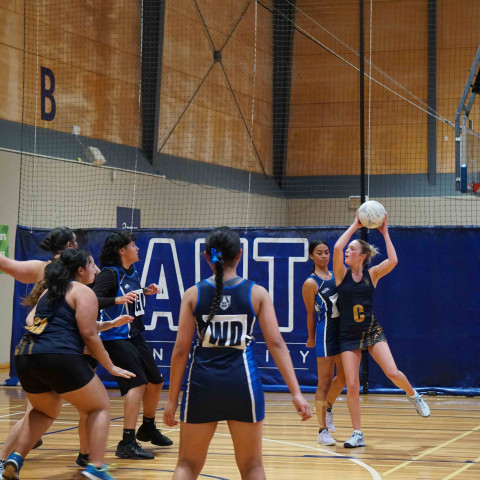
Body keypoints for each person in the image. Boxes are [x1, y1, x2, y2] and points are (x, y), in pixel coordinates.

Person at [164, 226, 311, 480]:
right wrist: (296, 393)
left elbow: (180, 351)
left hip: (202, 384)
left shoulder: (193, 294)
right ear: (240, 255)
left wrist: (171, 399)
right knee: (252, 466)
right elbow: (276, 344)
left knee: (187, 465)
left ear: (207, 256)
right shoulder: (257, 293)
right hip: (243, 385)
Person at [2, 249, 135, 480]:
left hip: (25, 355)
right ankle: (96, 467)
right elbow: (89, 335)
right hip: (58, 354)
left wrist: (109, 324)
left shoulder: (49, 291)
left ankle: (14, 459)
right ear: (80, 270)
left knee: (43, 411)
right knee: (99, 405)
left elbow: (35, 321)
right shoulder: (83, 291)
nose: (96, 269)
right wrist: (111, 367)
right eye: (92, 264)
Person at [332, 213, 430, 449]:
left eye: (352, 249)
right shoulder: (340, 274)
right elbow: (336, 247)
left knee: (393, 373)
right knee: (352, 385)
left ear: (362, 256)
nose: (347, 251)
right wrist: (355, 225)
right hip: (347, 334)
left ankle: (414, 395)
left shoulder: (372, 274)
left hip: (371, 330)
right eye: (348, 248)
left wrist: (385, 232)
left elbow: (394, 261)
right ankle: (358, 433)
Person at [0, 227, 78, 472]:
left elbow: (4, 262)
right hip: (53, 348)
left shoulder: (40, 268)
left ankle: (13, 453)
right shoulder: (73, 272)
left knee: (36, 411)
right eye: (76, 241)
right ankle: (4, 459)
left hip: (35, 347)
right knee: (91, 407)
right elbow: (32, 318)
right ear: (68, 246)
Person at [93, 231, 172, 460]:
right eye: (133, 244)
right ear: (121, 250)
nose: (137, 248)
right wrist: (116, 300)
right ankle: (127, 441)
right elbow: (93, 299)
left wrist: (146, 291)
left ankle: (147, 427)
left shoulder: (132, 272)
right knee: (137, 384)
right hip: (115, 337)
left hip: (134, 335)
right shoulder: (109, 274)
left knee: (156, 381)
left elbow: (129, 295)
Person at [302, 240, 345, 445]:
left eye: (327, 252)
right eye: (319, 253)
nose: (324, 256)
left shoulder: (337, 275)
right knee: (324, 381)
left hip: (343, 332)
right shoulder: (311, 283)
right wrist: (311, 337)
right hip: (325, 333)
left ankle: (327, 408)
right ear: (312, 256)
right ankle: (321, 431)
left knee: (344, 378)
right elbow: (310, 313)